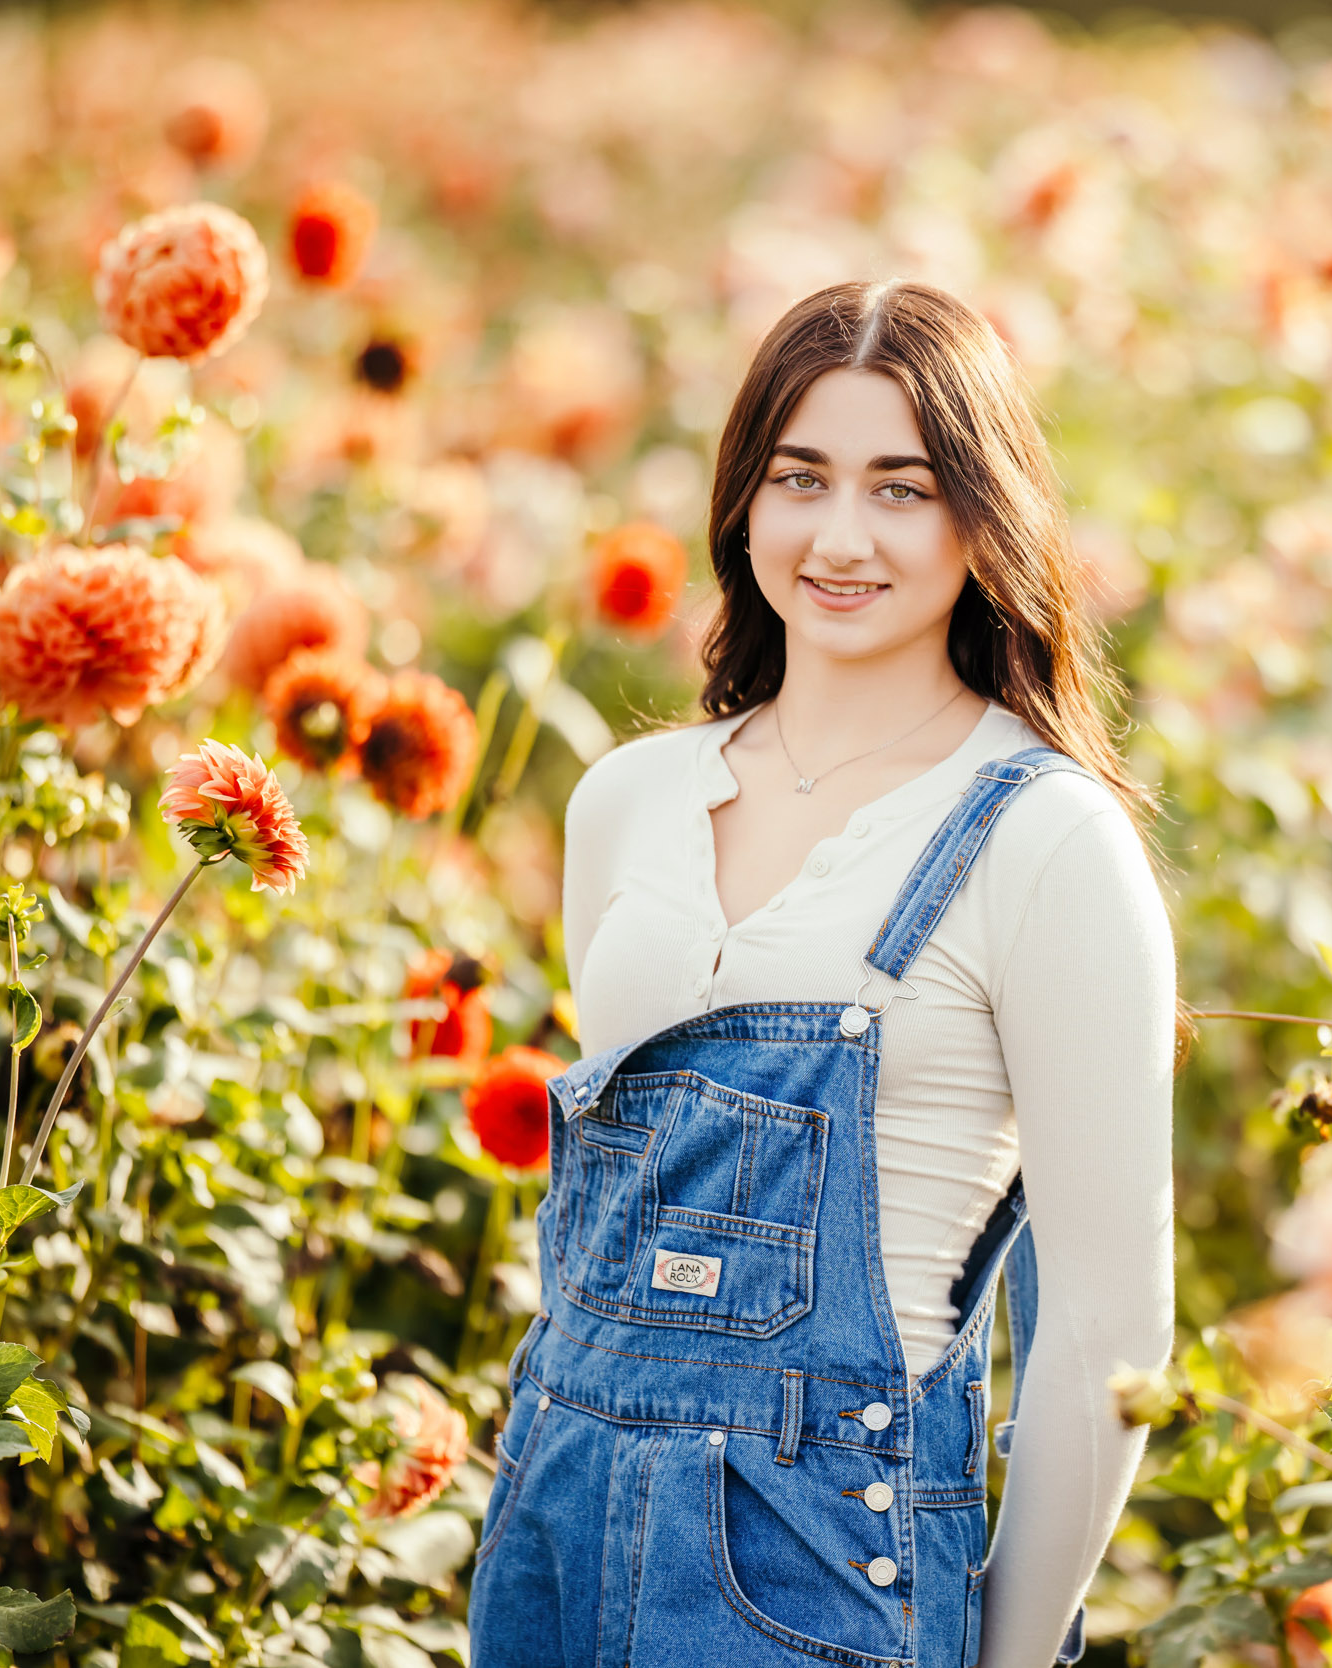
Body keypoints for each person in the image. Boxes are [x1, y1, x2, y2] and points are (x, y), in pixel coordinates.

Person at [465, 279, 1176, 1668]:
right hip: (553, 1519)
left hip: (814, 1572)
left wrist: (1014, 1655)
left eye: (902, 489)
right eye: (802, 478)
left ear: (985, 519)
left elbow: (1107, 1329)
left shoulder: (1041, 836)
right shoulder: (625, 801)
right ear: (743, 502)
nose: (841, 537)